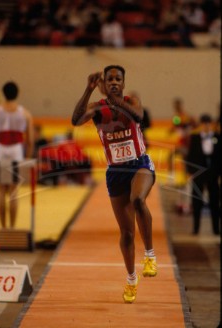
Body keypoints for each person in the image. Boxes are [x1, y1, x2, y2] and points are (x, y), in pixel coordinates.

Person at [72, 65, 157, 303]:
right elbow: (76, 120)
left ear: (123, 83)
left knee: (138, 200)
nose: (113, 82)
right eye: (109, 79)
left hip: (140, 165)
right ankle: (131, 279)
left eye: (117, 79)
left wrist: (115, 100)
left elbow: (138, 116)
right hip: (115, 172)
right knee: (127, 233)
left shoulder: (132, 101)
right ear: (102, 84)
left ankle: (150, 255)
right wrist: (88, 91)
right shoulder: (98, 109)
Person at [0, 81, 34, 228]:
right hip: (16, 151)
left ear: (3, 93)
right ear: (18, 94)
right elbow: (29, 140)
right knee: (13, 192)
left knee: (1, 190)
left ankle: (3, 228)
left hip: (0, 150)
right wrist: (27, 158)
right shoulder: (25, 113)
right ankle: (12, 227)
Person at [186, 114, 220, 235]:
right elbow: (190, 156)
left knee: (215, 202)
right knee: (196, 202)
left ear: (211, 124)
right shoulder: (195, 138)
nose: (206, 126)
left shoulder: (217, 137)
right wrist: (190, 172)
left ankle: (216, 229)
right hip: (198, 174)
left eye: (208, 123)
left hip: (213, 174)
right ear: (200, 124)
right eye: (204, 123)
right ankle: (196, 228)